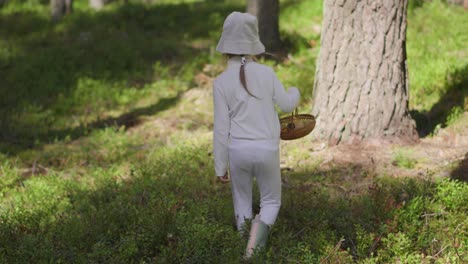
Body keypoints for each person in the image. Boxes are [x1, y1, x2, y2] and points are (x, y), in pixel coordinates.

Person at [212, 12, 300, 258]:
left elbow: (220, 128)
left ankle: (240, 244)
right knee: (271, 201)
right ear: (252, 44)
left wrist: (220, 166)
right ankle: (254, 251)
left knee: (241, 201)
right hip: (266, 150)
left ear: (225, 46)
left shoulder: (220, 82)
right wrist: (295, 92)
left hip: (237, 151)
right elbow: (285, 105)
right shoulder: (267, 74)